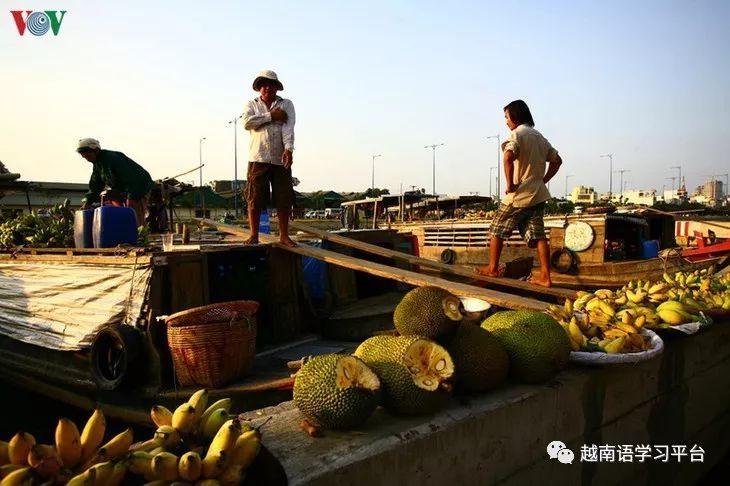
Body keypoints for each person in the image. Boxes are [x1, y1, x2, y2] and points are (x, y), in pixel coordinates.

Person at [477, 100, 562, 287]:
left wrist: (511, 184)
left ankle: (492, 268)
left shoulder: (517, 134)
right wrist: (543, 180)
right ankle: (546, 277)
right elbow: (557, 161)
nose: (506, 122)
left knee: (496, 229)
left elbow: (508, 158)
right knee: (538, 235)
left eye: (507, 117)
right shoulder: (539, 137)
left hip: (519, 195)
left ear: (515, 116)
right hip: (538, 195)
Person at [242, 70, 296, 247]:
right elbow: (247, 123)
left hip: (280, 159)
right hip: (258, 157)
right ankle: (254, 234)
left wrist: (288, 149)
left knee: (283, 197)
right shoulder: (252, 105)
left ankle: (284, 235)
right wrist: (271, 116)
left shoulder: (286, 104)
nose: (267, 88)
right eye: (264, 85)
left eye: (271, 84)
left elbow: (288, 128)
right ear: (259, 88)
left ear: (276, 87)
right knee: (255, 198)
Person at [77, 138, 154, 226]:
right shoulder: (98, 164)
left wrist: (131, 197)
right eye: (85, 157)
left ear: (96, 150)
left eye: (88, 156)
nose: (87, 159)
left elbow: (131, 178)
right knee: (117, 207)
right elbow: (96, 185)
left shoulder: (113, 158)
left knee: (134, 217)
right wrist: (87, 202)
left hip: (139, 187)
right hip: (124, 190)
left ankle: (139, 237)